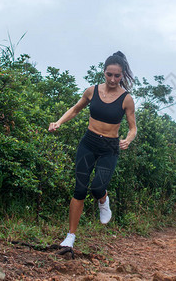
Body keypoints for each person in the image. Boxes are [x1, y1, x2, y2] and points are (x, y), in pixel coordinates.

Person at [48, 51, 137, 248]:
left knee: (97, 187)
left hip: (109, 148)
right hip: (89, 143)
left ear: (122, 75)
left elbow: (133, 127)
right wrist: (59, 122)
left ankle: (103, 201)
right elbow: (75, 109)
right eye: (109, 74)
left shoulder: (126, 99)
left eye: (117, 76)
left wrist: (128, 140)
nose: (113, 79)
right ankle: (70, 237)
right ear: (103, 72)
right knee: (79, 188)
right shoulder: (92, 91)